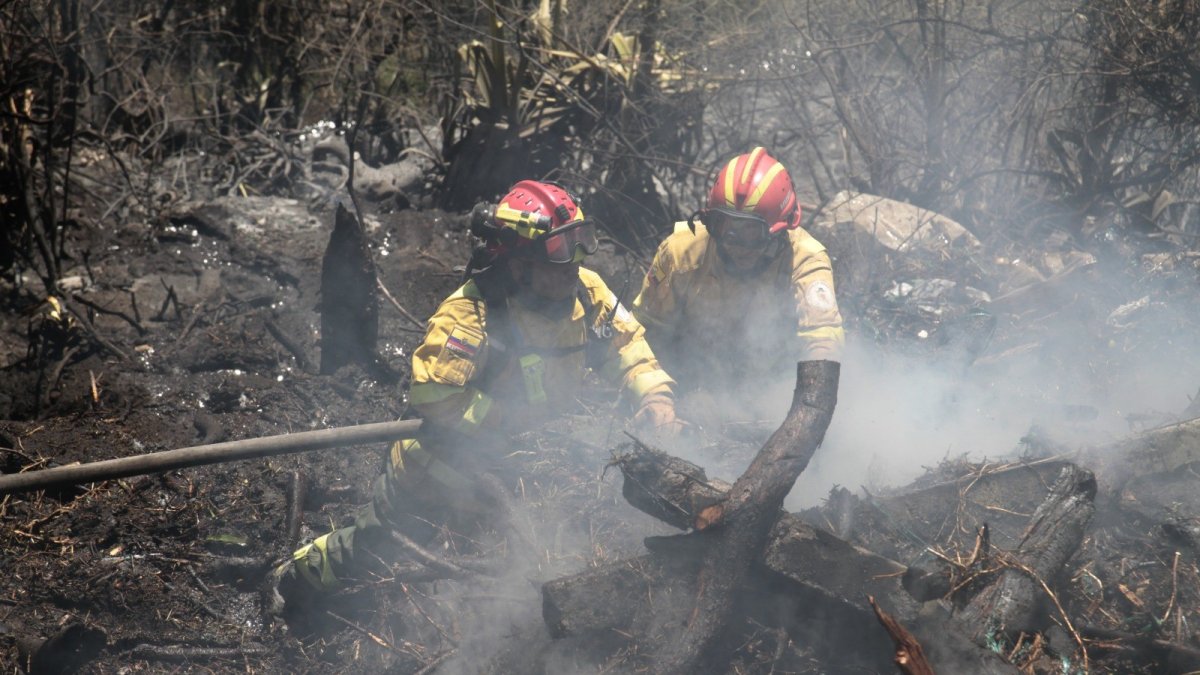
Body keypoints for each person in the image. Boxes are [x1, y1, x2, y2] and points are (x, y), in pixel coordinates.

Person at [267, 180, 679, 612]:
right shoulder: (470, 317)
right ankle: (293, 580)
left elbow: (627, 346)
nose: (574, 262)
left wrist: (656, 398)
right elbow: (434, 396)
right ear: (519, 265)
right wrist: (503, 420)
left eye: (580, 242)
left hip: (518, 465)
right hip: (437, 470)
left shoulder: (586, 292)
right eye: (559, 251)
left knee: (508, 568)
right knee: (377, 551)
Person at [631, 147, 844, 418]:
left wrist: (806, 414)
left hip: (774, 397)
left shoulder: (806, 260)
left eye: (752, 233)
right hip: (688, 386)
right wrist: (657, 397)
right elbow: (643, 335)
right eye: (725, 228)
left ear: (781, 229)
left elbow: (822, 341)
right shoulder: (681, 252)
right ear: (710, 222)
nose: (738, 246)